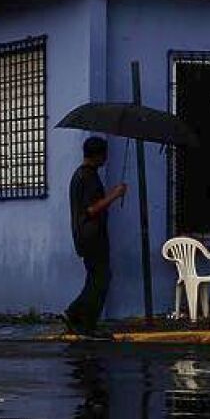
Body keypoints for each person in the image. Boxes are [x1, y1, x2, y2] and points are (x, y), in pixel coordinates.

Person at [64, 137, 127, 338]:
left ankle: (78, 317)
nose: (107, 158)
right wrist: (114, 195)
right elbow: (91, 209)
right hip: (92, 235)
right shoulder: (88, 176)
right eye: (105, 154)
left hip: (84, 234)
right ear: (98, 155)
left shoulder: (79, 175)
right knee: (101, 278)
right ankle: (81, 319)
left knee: (95, 278)